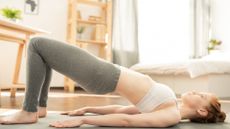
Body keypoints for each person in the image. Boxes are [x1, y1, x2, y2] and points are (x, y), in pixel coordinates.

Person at [0, 37, 226, 128]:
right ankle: (38, 108)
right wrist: (90, 108)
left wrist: (84, 121)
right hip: (105, 71)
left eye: (203, 96)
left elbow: (127, 121)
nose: (198, 91)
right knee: (43, 53)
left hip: (102, 74)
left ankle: (28, 111)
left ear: (202, 111)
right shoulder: (171, 106)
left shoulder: (172, 115)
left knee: (36, 44)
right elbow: (124, 108)